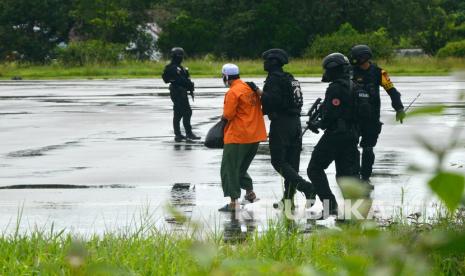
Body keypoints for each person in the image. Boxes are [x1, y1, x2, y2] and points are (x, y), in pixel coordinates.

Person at [260, 48, 315, 210]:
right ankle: (288, 199)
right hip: (295, 123)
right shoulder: (290, 78)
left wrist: (259, 94)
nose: (264, 63)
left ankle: (306, 187)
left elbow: (273, 102)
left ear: (273, 62)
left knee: (278, 161)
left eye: (267, 60)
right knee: (291, 162)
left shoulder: (273, 80)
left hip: (281, 123)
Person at [306, 53, 360, 218]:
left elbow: (330, 115)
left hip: (337, 135)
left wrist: (318, 124)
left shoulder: (335, 88)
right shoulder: (354, 85)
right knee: (344, 175)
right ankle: (353, 211)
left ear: (333, 69)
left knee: (314, 169)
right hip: (352, 135)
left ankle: (330, 206)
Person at [350, 45, 406, 184]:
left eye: (356, 57)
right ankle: (354, 176)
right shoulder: (349, 72)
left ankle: (365, 178)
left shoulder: (380, 73)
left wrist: (399, 109)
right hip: (353, 118)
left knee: (368, 149)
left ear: (364, 57)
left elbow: (392, 91)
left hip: (371, 118)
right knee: (351, 148)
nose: (353, 59)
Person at [218, 64, 267, 212]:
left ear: (226, 77)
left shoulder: (233, 92)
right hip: (255, 135)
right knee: (241, 167)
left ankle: (233, 203)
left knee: (229, 169)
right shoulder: (250, 89)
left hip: (238, 136)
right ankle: (250, 193)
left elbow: (228, 115)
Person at [162, 47, 201, 142]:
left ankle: (178, 134)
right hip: (178, 91)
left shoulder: (179, 67)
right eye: (181, 56)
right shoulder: (173, 68)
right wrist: (189, 84)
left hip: (180, 91)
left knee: (178, 112)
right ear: (177, 56)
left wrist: (189, 84)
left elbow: (184, 78)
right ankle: (188, 133)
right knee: (187, 112)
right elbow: (179, 80)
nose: (182, 58)